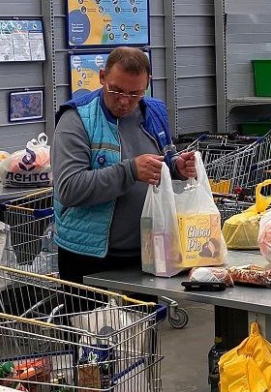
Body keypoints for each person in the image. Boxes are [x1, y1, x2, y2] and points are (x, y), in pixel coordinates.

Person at [52, 47, 196, 282]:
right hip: (89, 258)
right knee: (87, 320)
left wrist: (177, 168)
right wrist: (129, 171)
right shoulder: (76, 120)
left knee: (146, 320)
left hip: (147, 254)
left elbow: (162, 163)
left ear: (147, 84)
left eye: (134, 94)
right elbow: (69, 188)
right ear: (102, 77)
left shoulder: (154, 112)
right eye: (115, 90)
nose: (124, 101)